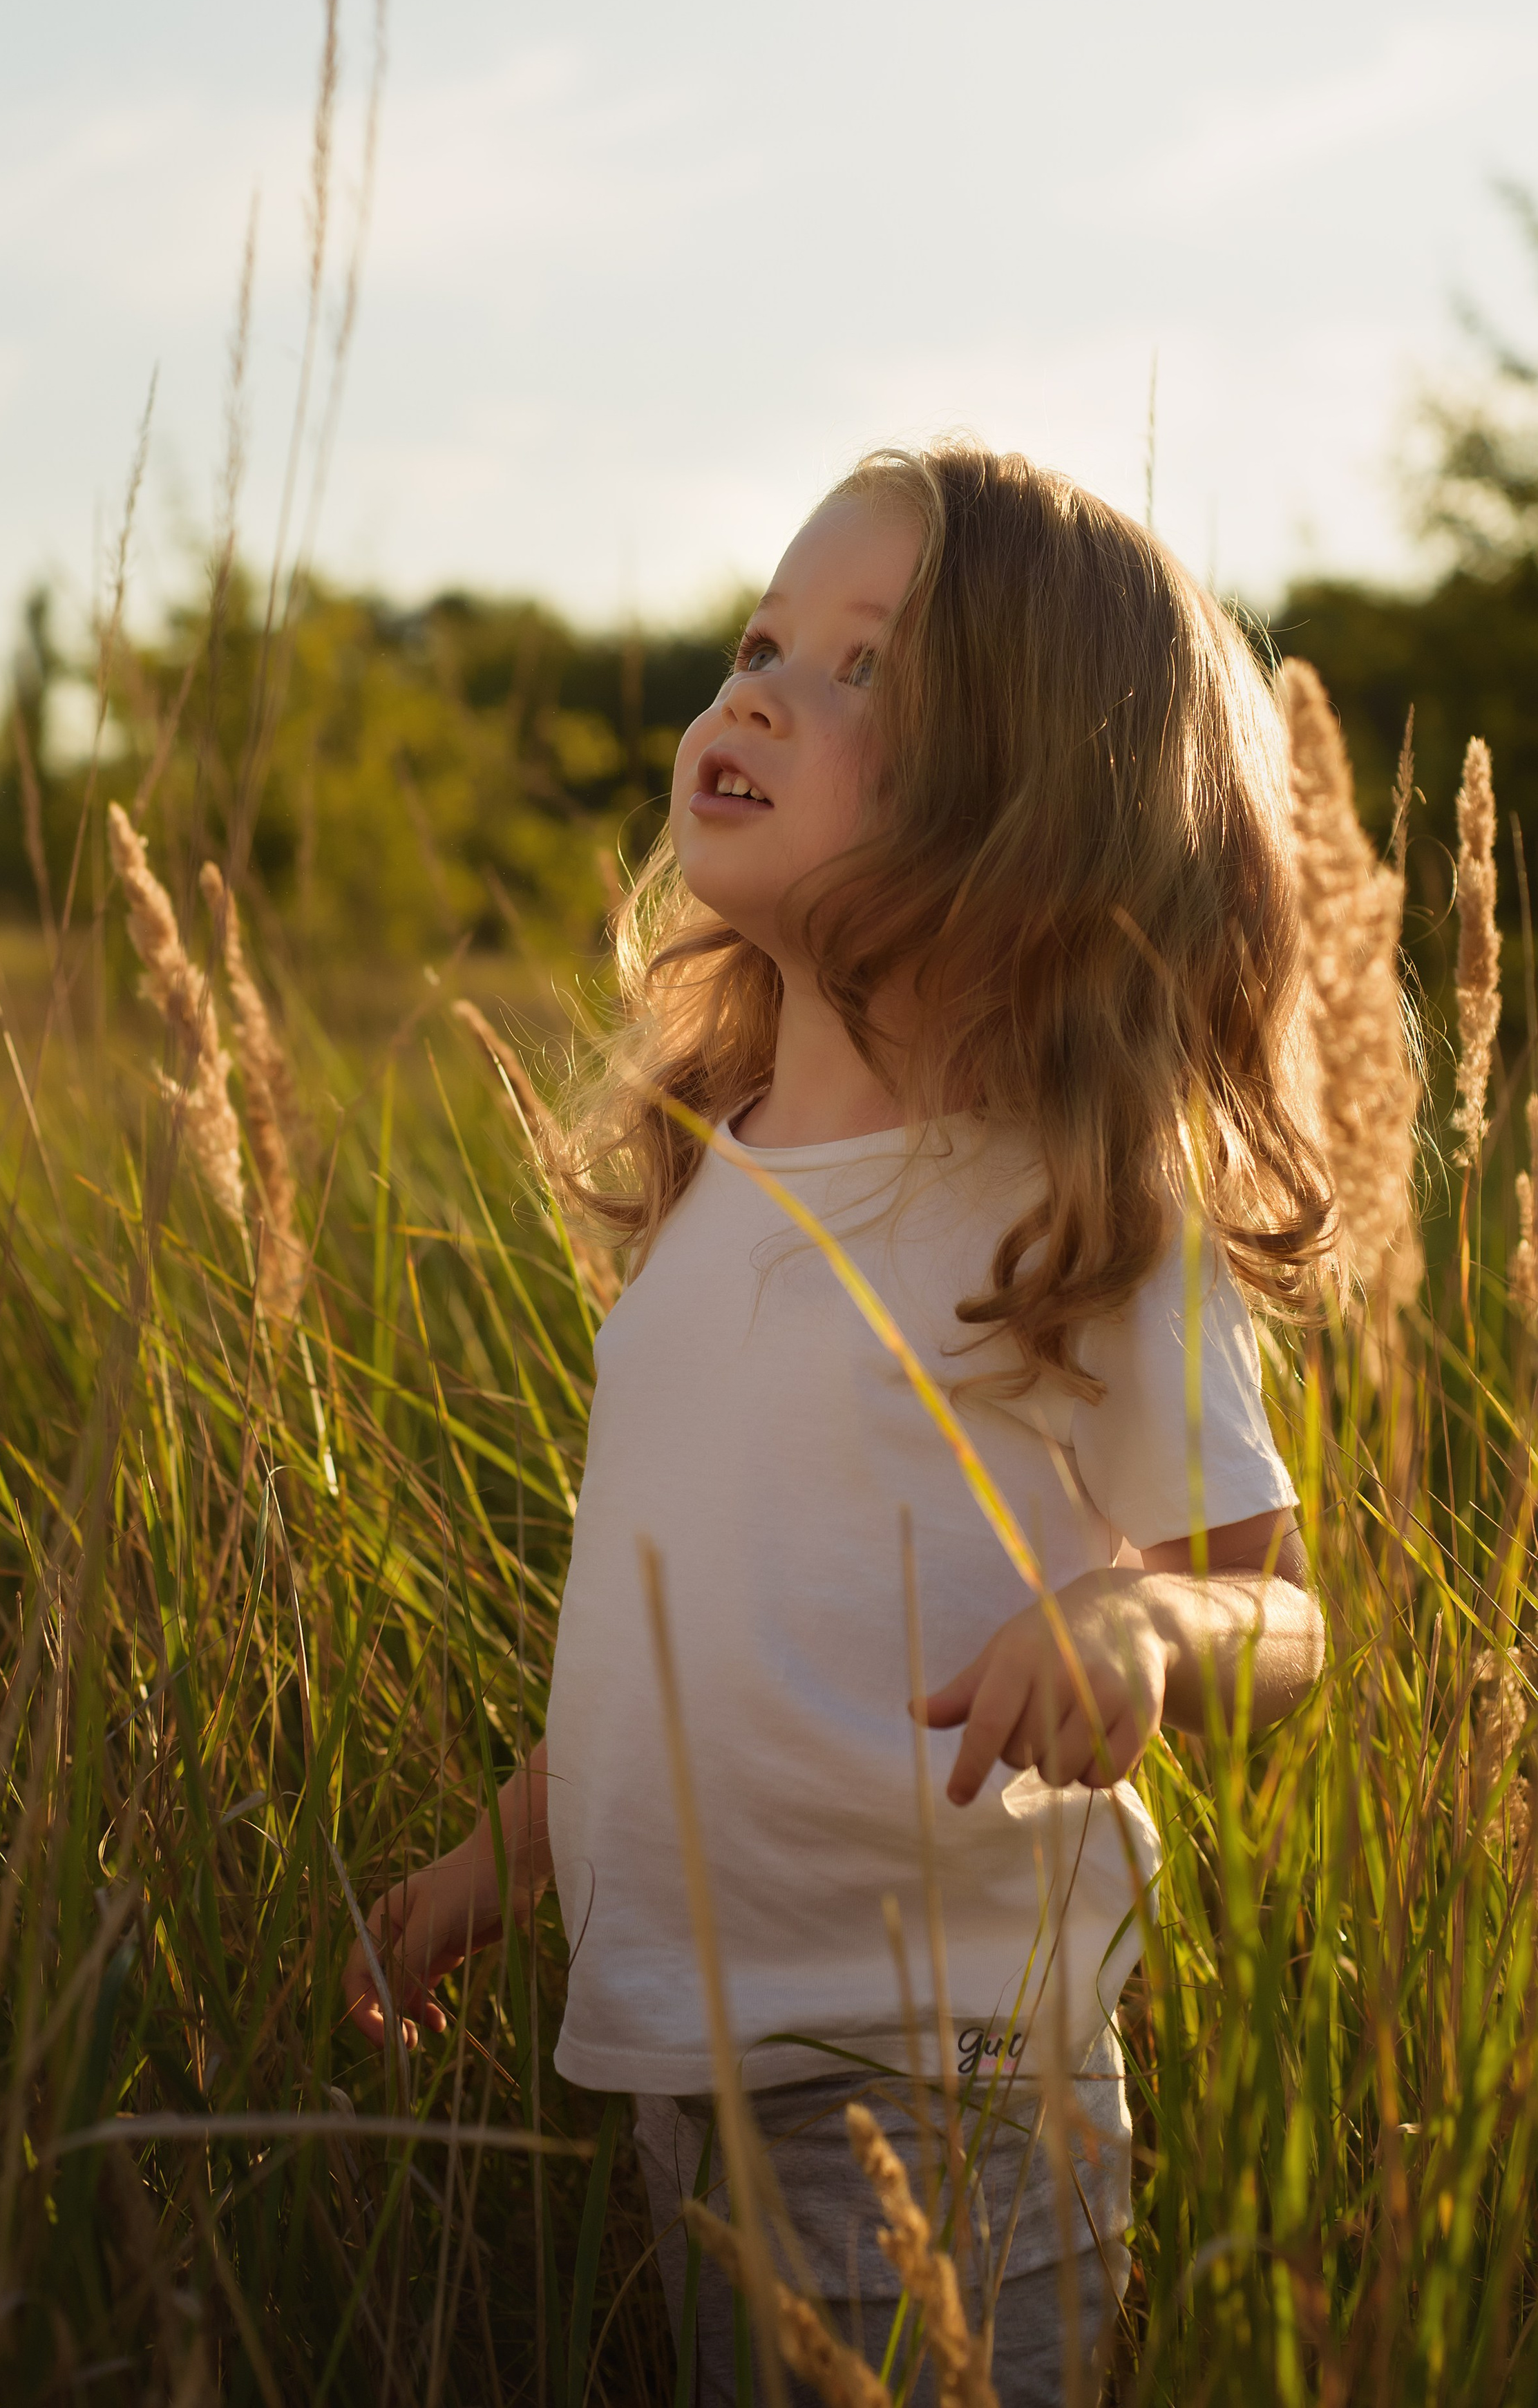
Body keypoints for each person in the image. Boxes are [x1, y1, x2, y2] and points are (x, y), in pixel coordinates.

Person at [345, 442, 1329, 2404]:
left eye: (867, 667)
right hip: (686, 2051)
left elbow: (1277, 1614)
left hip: (942, 2062)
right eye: (763, 638)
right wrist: (494, 1858)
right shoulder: (716, 1187)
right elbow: (687, 1639)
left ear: (1033, 794)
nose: (762, 690)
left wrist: (1140, 1621)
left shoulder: (1068, 1204)